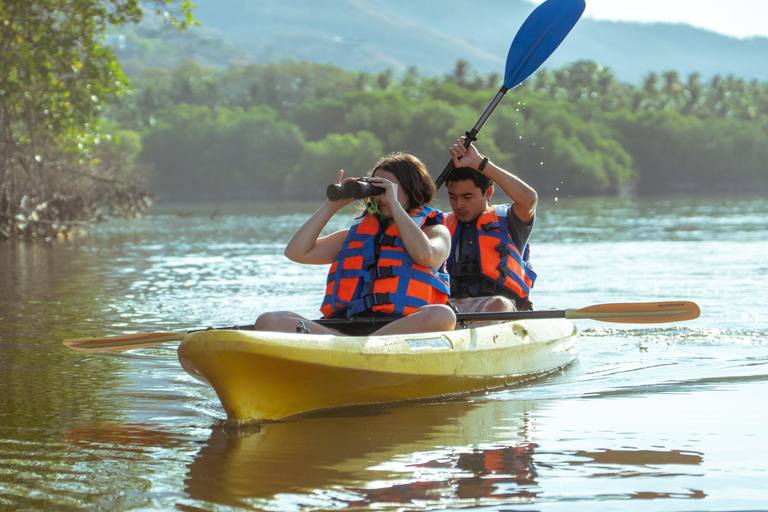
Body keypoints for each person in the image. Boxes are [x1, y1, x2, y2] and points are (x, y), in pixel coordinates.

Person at [255, 152, 456, 336]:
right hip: (343, 328)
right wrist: (331, 205)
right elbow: (296, 252)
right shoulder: (355, 237)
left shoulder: (435, 231)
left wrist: (394, 205)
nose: (380, 196)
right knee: (268, 320)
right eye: (376, 188)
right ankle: (350, 346)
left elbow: (425, 255)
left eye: (387, 188)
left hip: (399, 330)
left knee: (443, 316)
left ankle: (364, 346)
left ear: (411, 190)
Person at [444, 137, 538, 317]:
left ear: (488, 193)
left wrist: (479, 163)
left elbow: (529, 200)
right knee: (434, 310)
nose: (459, 205)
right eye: (453, 197)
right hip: (451, 308)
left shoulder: (511, 221)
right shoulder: (441, 226)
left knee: (496, 305)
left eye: (467, 197)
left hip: (496, 306)